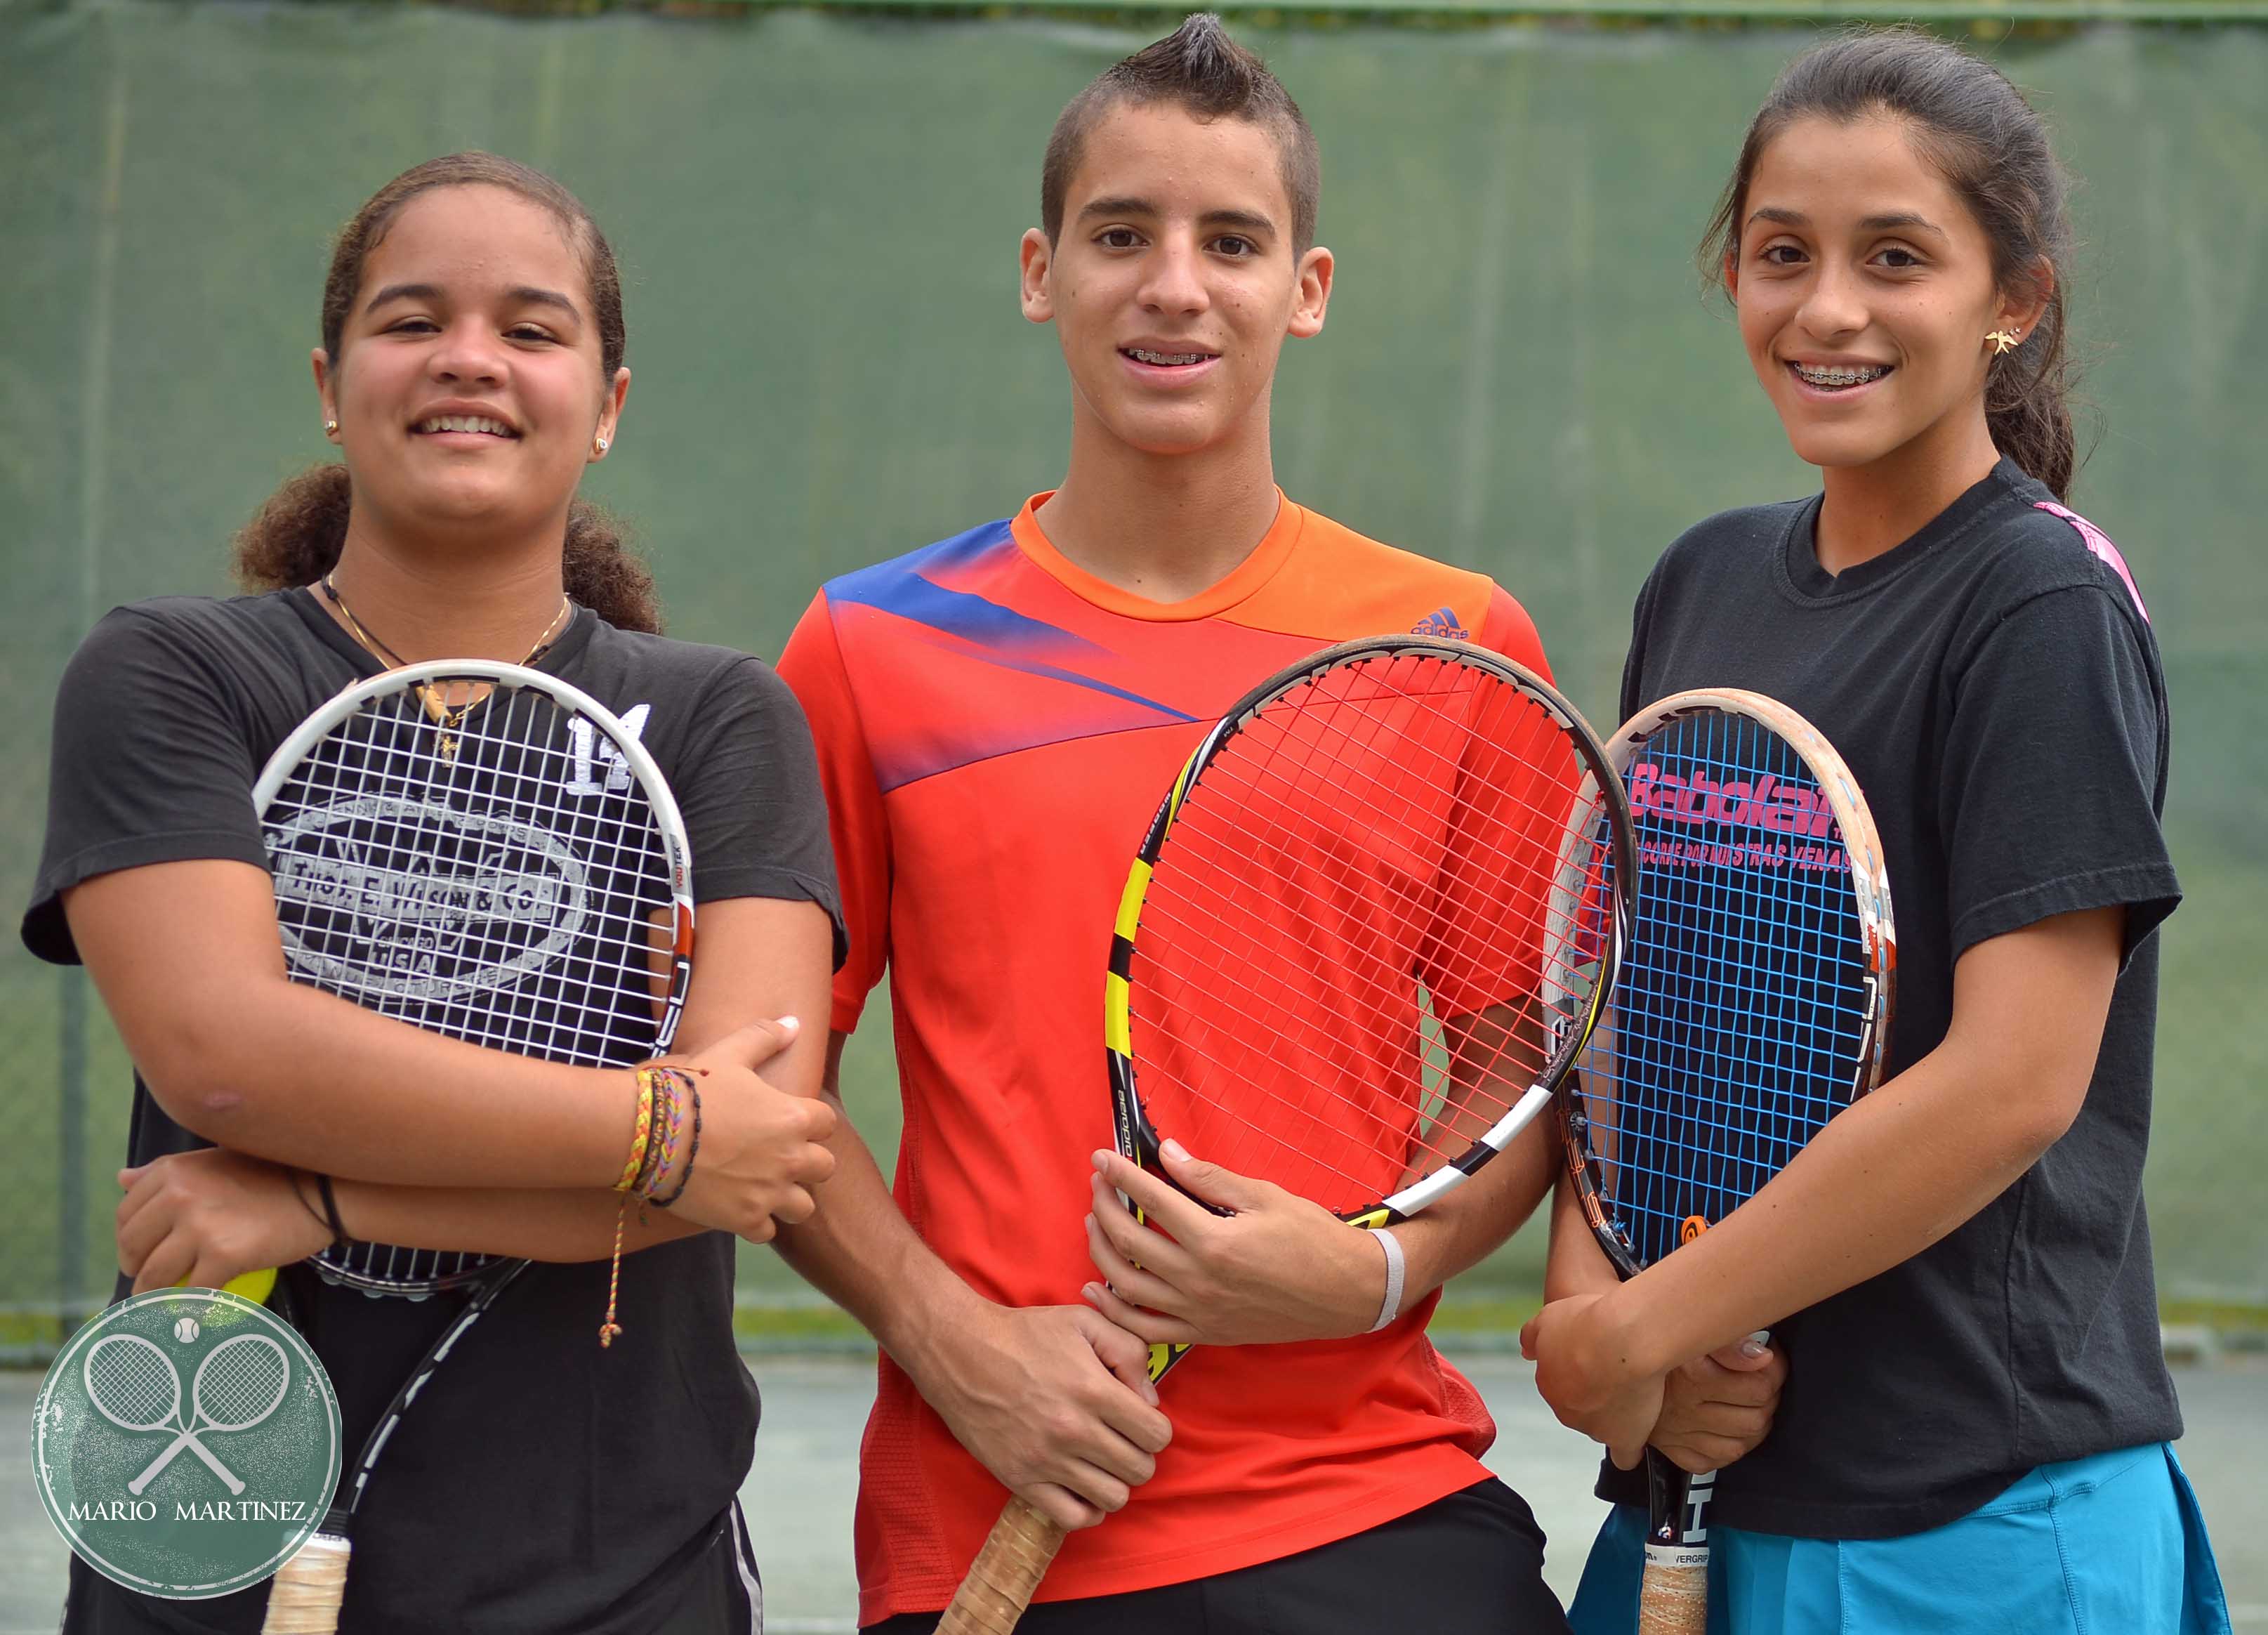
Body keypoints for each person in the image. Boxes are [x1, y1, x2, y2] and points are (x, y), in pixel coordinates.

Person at [773, 18, 1779, 1632]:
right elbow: (769, 1093)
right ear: (1042, 273)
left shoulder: (1456, 642)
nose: (1174, 284)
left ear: (1303, 290)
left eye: (1230, 241)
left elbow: (1529, 1062)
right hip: (996, 1506)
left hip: (1374, 1509)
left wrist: (1371, 1269)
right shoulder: (868, 648)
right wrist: (964, 1351)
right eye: (1121, 234)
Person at [26, 152, 843, 1634]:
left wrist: (322, 1200)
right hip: (203, 1540)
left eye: (532, 330)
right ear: (333, 383)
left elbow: (759, 1159)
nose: (471, 359)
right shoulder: (170, 675)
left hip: (619, 1571)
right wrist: (655, 1123)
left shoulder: (725, 720)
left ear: (606, 405)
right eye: (415, 322)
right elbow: (225, 1054)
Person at [1520, 31, 2232, 1635]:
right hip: (1706, 1488)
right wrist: (1599, 1320)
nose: (1825, 309)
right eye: (1783, 255)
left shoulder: (2038, 601)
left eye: (1893, 257)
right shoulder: (1699, 582)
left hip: (1975, 1521)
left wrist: (1651, 1329)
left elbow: (2009, 1086)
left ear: (2013, 301)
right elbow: (1628, 998)